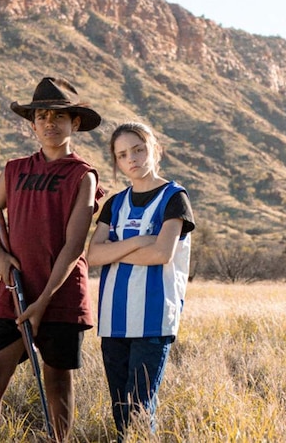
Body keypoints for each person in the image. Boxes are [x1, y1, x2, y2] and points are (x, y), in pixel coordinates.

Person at [0, 77, 105, 442]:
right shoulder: (14, 169)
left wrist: (43, 301)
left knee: (57, 380)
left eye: (59, 116)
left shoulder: (83, 175)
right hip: (14, 292)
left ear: (74, 123)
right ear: (31, 124)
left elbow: (74, 246)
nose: (49, 122)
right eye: (42, 116)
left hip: (60, 296)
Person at [86, 122, 195, 441]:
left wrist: (115, 251)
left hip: (153, 320)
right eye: (122, 155)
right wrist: (139, 241)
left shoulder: (175, 198)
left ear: (154, 150)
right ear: (117, 162)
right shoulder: (114, 204)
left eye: (138, 149)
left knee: (139, 408)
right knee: (120, 407)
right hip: (113, 320)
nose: (131, 158)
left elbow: (162, 253)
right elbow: (92, 256)